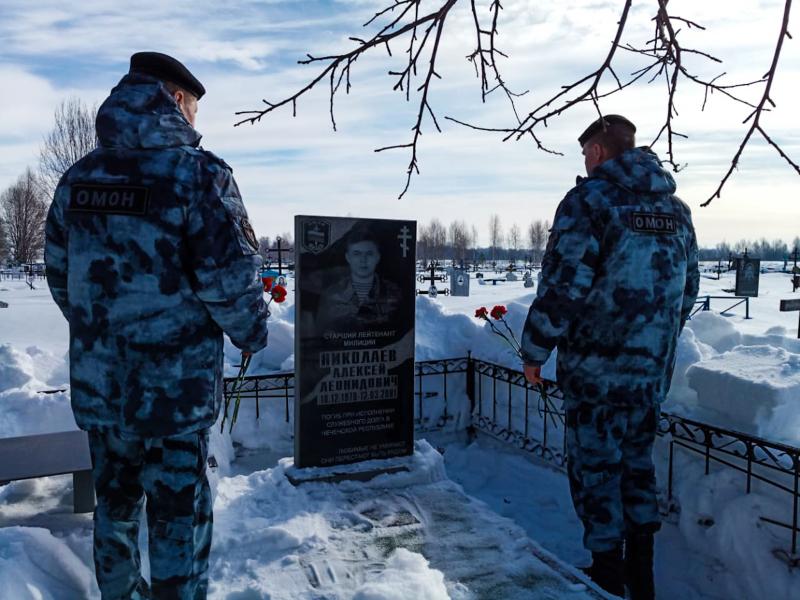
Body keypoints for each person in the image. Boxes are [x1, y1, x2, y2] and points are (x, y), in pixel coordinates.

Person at [44, 52, 269, 599]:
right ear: (175, 99)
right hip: (173, 395)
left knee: (114, 507)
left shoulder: (79, 179)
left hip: (104, 390)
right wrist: (253, 331)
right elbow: (229, 278)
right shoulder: (198, 176)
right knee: (178, 517)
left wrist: (105, 330)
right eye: (193, 107)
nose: (195, 122)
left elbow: (60, 273)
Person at [520, 115, 699, 599]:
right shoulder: (676, 210)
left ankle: (606, 579)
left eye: (585, 154)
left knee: (596, 473)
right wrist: (654, 343)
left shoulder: (590, 202)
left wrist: (534, 350)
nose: (585, 163)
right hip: (648, 378)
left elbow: (563, 287)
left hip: (596, 376)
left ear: (597, 152)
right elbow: (688, 292)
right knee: (637, 466)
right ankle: (642, 577)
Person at [316, 228, 401, 330]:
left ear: (378, 257)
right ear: (348, 257)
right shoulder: (332, 294)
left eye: (369, 254)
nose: (363, 260)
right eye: (357, 254)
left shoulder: (394, 292)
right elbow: (322, 331)